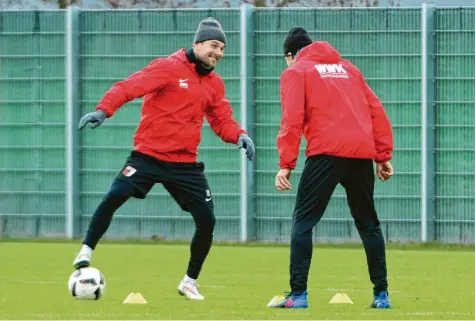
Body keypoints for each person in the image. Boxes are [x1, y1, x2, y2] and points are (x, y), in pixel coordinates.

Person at [72, 17, 255, 301]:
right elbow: (127, 87)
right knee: (116, 194)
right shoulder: (167, 67)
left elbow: (222, 120)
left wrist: (239, 135)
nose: (218, 52)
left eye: (222, 48)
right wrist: (103, 110)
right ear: (197, 44)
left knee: (207, 220)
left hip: (185, 164)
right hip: (149, 156)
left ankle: (189, 282)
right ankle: (86, 250)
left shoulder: (214, 85)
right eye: (213, 45)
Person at [267, 27, 394, 309]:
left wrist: (286, 164)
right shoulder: (349, 68)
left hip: (326, 152)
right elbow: (376, 109)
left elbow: (292, 119)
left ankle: (298, 295)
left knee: (303, 222)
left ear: (290, 55)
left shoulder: (296, 71)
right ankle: (381, 295)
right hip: (361, 154)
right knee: (368, 224)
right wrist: (382, 155)